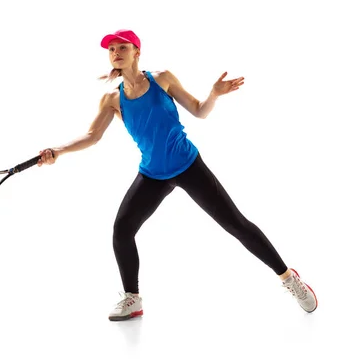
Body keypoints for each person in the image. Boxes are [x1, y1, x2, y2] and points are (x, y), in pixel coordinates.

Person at [37, 29, 318, 321]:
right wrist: (58, 150)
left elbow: (199, 110)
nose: (116, 52)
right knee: (122, 230)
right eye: (111, 49)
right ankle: (132, 298)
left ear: (137, 52)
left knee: (236, 224)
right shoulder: (112, 98)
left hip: (187, 165)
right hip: (153, 174)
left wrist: (214, 95)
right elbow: (92, 136)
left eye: (123, 47)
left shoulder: (162, 79)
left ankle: (288, 278)